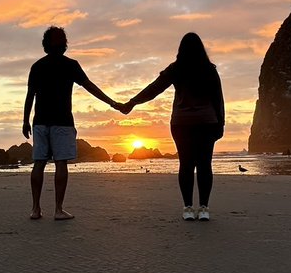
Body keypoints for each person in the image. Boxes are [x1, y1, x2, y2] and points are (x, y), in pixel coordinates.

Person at [120, 32, 225, 221]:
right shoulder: (209, 69)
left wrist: (132, 102)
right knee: (204, 165)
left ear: (180, 50)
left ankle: (187, 208)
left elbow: (154, 88)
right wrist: (221, 123)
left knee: (185, 165)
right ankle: (203, 208)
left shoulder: (176, 69)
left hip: (181, 123)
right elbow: (218, 98)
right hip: (206, 122)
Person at [23, 26, 121, 220]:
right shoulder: (70, 65)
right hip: (62, 122)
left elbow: (30, 96)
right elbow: (90, 86)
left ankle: (36, 209)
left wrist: (25, 120)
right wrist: (113, 103)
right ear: (63, 44)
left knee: (39, 163)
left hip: (40, 121)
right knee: (60, 163)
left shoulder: (38, 66)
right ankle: (58, 210)